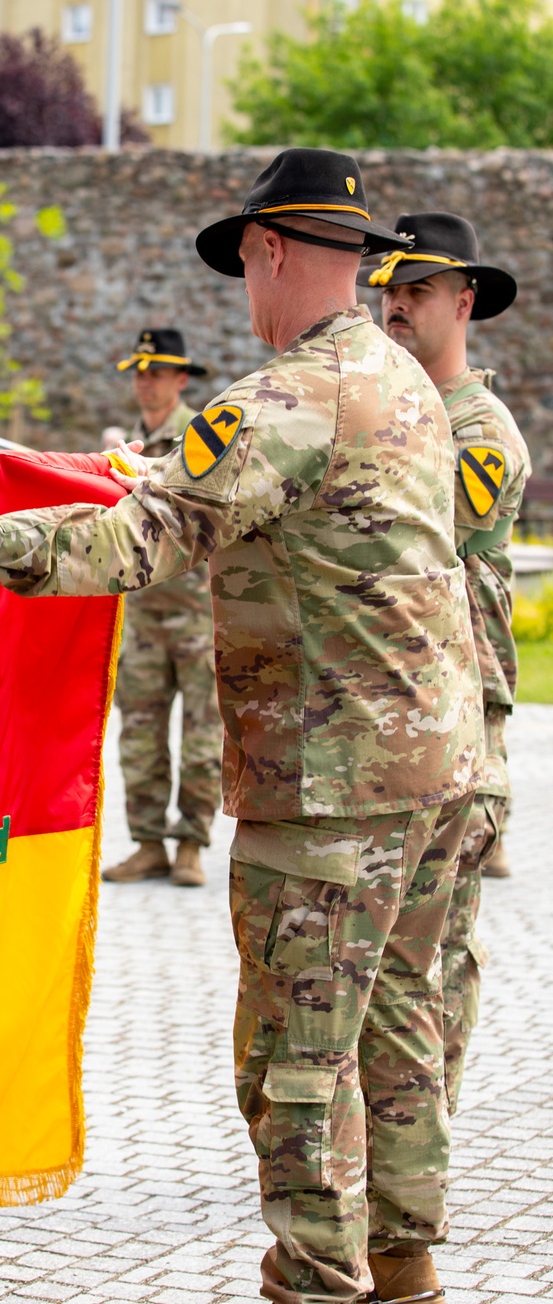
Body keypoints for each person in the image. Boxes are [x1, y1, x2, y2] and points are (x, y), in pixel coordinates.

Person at [0, 148, 485, 1304]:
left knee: (297, 1054)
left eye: (247, 263)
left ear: (266, 252)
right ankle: (401, 1268)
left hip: (330, 784)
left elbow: (139, 537)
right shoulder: (400, 379)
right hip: (433, 765)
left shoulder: (284, 394)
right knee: (393, 1029)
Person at [362, 213, 530, 1116]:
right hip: (391, 720)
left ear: (465, 302)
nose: (396, 305)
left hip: (464, 719)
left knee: (434, 949)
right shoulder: (388, 412)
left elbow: (416, 535)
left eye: (418, 290)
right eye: (389, 288)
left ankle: (419, 1136)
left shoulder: (479, 428)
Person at [102, 330, 222, 888]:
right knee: (140, 735)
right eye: (138, 372)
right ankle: (148, 843)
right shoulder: (126, 441)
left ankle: (191, 845)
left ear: (180, 379)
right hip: (144, 614)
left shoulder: (202, 437)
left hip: (198, 613)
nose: (144, 382)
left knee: (203, 737)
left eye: (155, 372)